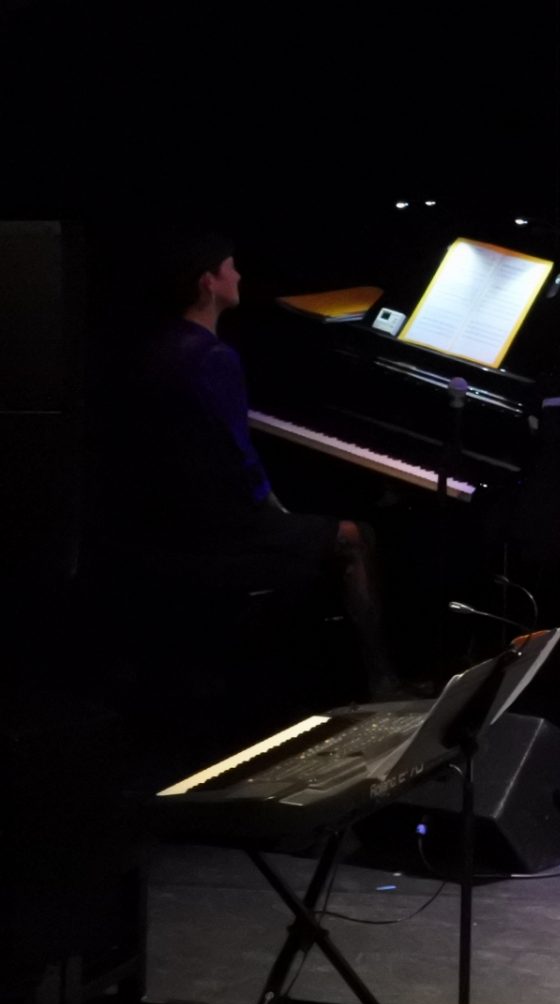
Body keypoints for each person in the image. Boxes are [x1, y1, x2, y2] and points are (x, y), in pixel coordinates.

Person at [121, 232, 400, 697]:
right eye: (230, 267)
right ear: (208, 282)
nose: (239, 275)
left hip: (165, 518)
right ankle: (382, 681)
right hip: (216, 530)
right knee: (357, 536)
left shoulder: (157, 343)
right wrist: (281, 515)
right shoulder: (214, 357)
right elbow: (243, 458)